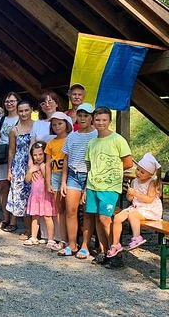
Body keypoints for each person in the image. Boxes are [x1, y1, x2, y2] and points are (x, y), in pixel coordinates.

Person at [82, 106, 133, 266]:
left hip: (110, 187)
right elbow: (89, 164)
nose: (100, 123)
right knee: (98, 218)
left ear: (110, 121)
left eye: (104, 120)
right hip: (93, 185)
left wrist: (112, 173)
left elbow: (128, 162)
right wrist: (87, 185)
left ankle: (115, 252)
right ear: (93, 120)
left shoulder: (117, 139)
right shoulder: (92, 142)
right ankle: (104, 252)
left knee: (105, 218)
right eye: (97, 120)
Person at [60, 103, 97, 258]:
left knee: (88, 212)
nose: (82, 119)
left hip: (90, 176)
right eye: (80, 115)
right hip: (73, 176)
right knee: (71, 210)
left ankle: (85, 245)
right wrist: (63, 181)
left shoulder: (96, 135)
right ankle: (72, 243)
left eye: (86, 116)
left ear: (91, 118)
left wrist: (89, 183)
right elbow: (66, 159)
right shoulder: (72, 136)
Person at [109, 153, 163, 258]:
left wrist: (136, 194)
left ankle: (137, 237)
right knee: (117, 217)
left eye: (142, 172)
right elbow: (130, 199)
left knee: (133, 215)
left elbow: (149, 199)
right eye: (137, 170)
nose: (138, 173)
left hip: (149, 208)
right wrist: (129, 194)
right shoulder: (134, 181)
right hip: (136, 207)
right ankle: (115, 244)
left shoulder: (151, 183)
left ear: (150, 175)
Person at [5, 100, 35, 236]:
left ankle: (37, 231)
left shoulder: (37, 126)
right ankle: (28, 229)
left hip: (34, 165)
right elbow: (11, 150)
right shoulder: (14, 130)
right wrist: (9, 170)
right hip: (18, 167)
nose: (23, 113)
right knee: (21, 197)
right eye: (21, 111)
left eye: (26, 110)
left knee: (34, 196)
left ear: (31, 110)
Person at [44, 112, 72, 251]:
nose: (57, 127)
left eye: (60, 123)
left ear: (66, 124)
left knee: (71, 209)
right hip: (55, 175)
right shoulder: (51, 143)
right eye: (54, 125)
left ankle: (72, 239)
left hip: (70, 175)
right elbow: (48, 164)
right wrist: (48, 182)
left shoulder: (71, 139)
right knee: (59, 209)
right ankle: (63, 239)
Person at [0, 92, 20, 228]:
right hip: (2, 155)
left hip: (17, 156)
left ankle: (14, 220)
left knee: (15, 188)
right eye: (7, 101)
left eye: (12, 101)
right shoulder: (1, 120)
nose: (10, 104)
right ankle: (5, 217)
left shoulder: (22, 118)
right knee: (2, 187)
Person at [23, 142, 56, 246]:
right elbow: (27, 180)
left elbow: (48, 178)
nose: (38, 157)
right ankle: (33, 236)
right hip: (35, 196)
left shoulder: (46, 165)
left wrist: (42, 168)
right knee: (35, 216)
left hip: (45, 195)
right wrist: (30, 171)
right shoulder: (33, 166)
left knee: (47, 216)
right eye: (35, 155)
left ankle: (51, 238)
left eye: (40, 154)